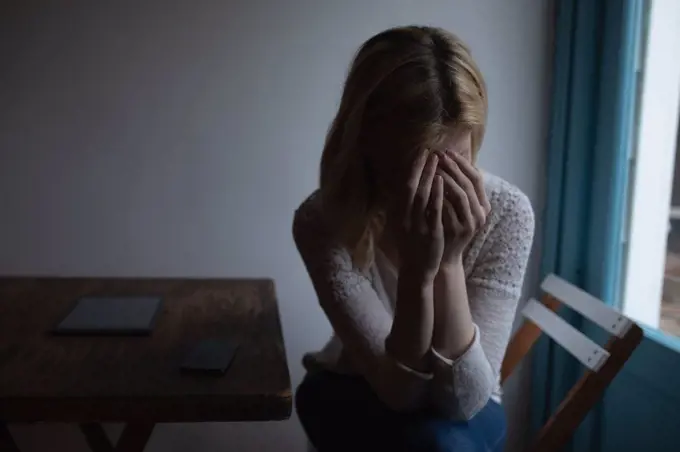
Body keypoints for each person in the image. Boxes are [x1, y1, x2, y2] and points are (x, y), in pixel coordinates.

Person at [292, 25, 535, 452]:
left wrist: (448, 263)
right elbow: (400, 391)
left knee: (443, 443)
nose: (431, 188)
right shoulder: (322, 220)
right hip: (354, 380)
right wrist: (419, 274)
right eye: (411, 166)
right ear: (364, 142)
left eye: (454, 162)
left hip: (465, 409)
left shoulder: (507, 212)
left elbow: (467, 399)